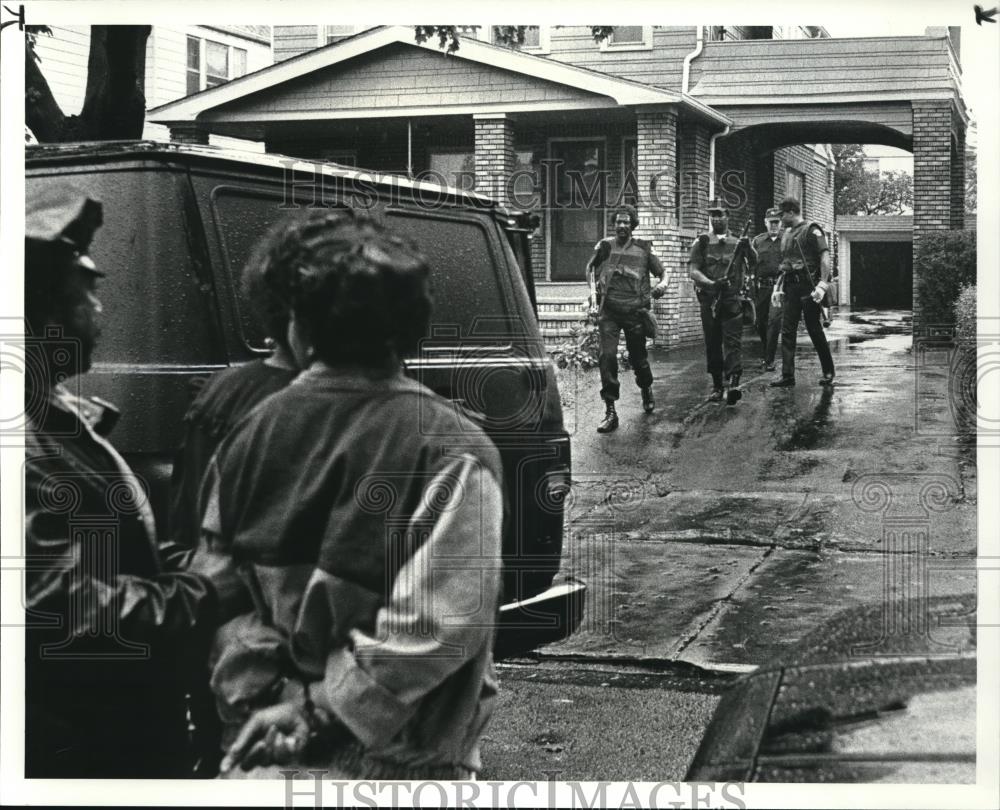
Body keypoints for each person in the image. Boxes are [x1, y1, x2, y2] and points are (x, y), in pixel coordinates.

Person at [198, 209, 506, 780]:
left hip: (265, 755)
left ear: (295, 325)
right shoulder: (454, 447)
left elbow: (219, 595)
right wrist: (319, 709)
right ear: (412, 324)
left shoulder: (247, 436)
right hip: (406, 765)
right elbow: (440, 627)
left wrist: (268, 700)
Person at [23, 184, 247, 778]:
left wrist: (193, 560)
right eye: (87, 291)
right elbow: (57, 614)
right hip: (74, 754)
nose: (100, 309)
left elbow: (108, 555)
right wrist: (204, 591)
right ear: (41, 310)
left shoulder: (55, 417)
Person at [168, 221, 301, 776]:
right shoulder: (327, 409)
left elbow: (183, 534)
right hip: (265, 660)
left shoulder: (226, 393)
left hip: (230, 652)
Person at [586, 204, 670, 433]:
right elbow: (590, 271)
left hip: (635, 313)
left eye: (626, 222)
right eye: (618, 222)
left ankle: (646, 387)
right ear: (614, 224)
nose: (622, 225)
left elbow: (663, 272)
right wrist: (593, 299)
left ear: (632, 225)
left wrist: (662, 285)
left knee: (638, 359)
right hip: (609, 313)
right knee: (607, 356)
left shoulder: (643, 249)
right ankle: (610, 410)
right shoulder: (605, 247)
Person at [688, 200, 756, 405]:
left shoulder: (738, 242)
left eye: (720, 214)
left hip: (732, 299)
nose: (716, 218)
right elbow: (693, 271)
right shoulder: (701, 241)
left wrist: (749, 248)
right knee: (713, 342)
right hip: (710, 301)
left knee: (733, 342)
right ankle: (718, 386)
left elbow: (754, 263)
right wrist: (711, 283)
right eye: (713, 214)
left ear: (728, 216)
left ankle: (734, 383)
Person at [769, 196, 836, 388]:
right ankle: (787, 375)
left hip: (809, 286)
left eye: (782, 215)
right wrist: (777, 288)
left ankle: (828, 371)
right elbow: (786, 265)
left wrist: (823, 284)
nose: (780, 220)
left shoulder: (811, 229)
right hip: (790, 287)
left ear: (791, 212)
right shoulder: (788, 234)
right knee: (787, 330)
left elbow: (824, 256)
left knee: (814, 329)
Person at [751, 207, 785, 372]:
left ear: (780, 223)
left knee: (773, 322)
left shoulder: (786, 240)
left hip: (778, 288)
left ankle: (769, 360)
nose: (774, 226)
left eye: (776, 223)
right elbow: (751, 264)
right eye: (771, 223)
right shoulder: (757, 241)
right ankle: (767, 353)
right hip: (762, 288)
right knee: (760, 323)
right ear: (765, 223)